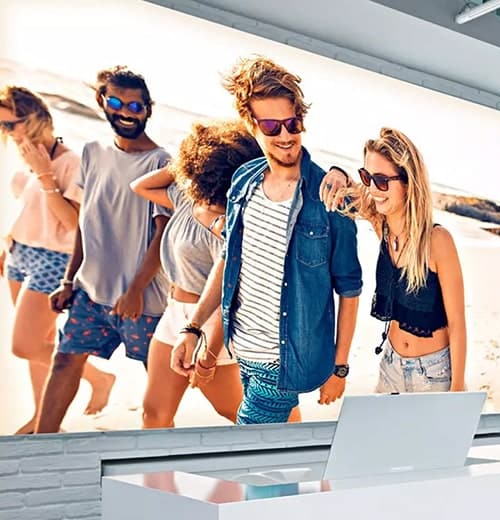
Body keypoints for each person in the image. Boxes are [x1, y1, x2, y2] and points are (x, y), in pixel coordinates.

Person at [171, 56, 362, 424]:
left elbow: (349, 290)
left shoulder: (329, 197)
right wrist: (193, 328)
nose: (286, 135)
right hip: (242, 352)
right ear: (251, 125)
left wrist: (339, 369)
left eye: (292, 123)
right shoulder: (243, 182)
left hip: (285, 363)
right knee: (274, 465)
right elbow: (228, 262)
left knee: (245, 457)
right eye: (272, 126)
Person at [130, 120, 301, 428]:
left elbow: (231, 293)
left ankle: (299, 451)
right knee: (154, 415)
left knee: (257, 419)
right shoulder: (186, 198)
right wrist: (187, 163)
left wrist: (208, 355)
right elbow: (140, 185)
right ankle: (156, 477)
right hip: (174, 315)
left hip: (211, 321)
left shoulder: (230, 225)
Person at [34, 67, 171, 434]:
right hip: (89, 295)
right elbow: (86, 222)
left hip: (140, 302)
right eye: (116, 102)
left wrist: (136, 290)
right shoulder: (92, 153)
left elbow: (163, 235)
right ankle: (40, 445)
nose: (126, 112)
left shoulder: (160, 163)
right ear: (102, 102)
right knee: (64, 363)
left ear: (147, 109)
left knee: (159, 382)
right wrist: (68, 280)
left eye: (135, 105)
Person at [0, 86, 116, 434]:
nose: (6, 133)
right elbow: (32, 210)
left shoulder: (72, 163)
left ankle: (98, 377)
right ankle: (43, 420)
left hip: (56, 260)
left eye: (10, 125)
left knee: (26, 346)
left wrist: (45, 176)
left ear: (33, 120)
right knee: (39, 340)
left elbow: (73, 224)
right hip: (22, 254)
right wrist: (9, 245)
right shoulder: (30, 157)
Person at [320, 127, 467, 393]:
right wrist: (339, 172)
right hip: (390, 365)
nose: (373, 189)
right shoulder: (383, 226)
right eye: (367, 177)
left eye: (382, 180)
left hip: (433, 375)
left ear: (408, 183)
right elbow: (346, 190)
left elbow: (457, 322)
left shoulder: (438, 241)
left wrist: (457, 390)